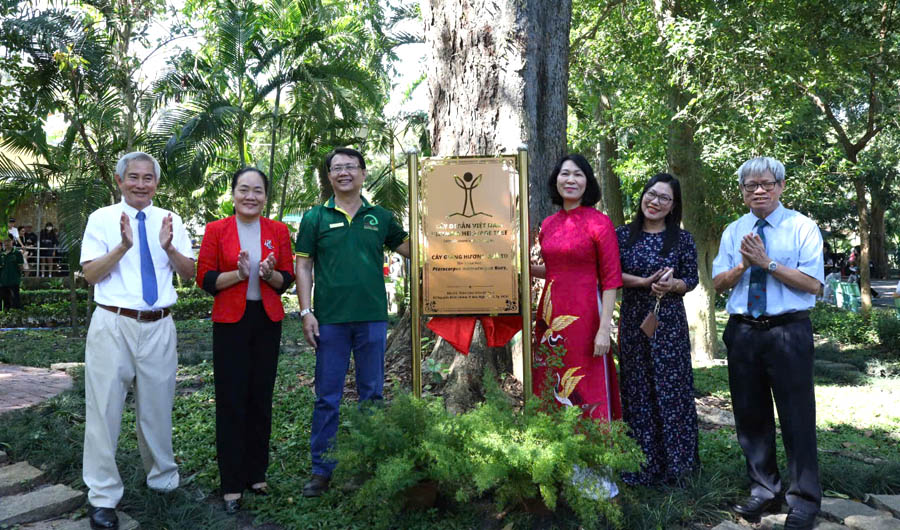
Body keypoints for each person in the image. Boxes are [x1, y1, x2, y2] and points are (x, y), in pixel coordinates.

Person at [80, 151, 195, 530]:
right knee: (104, 411)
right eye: (133, 177)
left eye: (148, 178)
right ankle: (102, 497)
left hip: (160, 324)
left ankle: (163, 481)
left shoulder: (171, 220)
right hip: (113, 324)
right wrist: (123, 247)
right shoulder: (101, 219)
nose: (141, 184)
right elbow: (92, 275)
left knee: (158, 408)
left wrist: (169, 248)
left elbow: (191, 274)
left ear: (156, 183)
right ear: (120, 181)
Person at [712, 157, 824, 530]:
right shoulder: (734, 231)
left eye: (766, 184)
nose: (758, 190)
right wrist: (744, 266)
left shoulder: (802, 228)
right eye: (750, 186)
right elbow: (718, 283)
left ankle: (804, 499)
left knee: (797, 417)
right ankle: (763, 488)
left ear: (781, 186)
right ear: (742, 191)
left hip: (788, 331)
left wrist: (767, 262)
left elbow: (814, 285)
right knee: (750, 415)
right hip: (743, 332)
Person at [295, 147, 410, 497]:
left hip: (372, 319)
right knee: (327, 396)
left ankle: (368, 464)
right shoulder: (315, 217)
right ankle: (322, 470)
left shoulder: (381, 217)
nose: (343, 173)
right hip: (330, 320)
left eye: (350, 167)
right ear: (329, 176)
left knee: (372, 394)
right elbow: (303, 265)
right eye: (336, 168)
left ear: (362, 172)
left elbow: (412, 250)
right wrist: (305, 311)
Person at [196, 168, 295, 514]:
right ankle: (231, 483)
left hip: (267, 320)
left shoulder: (278, 231)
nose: (250, 196)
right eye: (244, 189)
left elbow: (288, 280)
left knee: (260, 397)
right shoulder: (216, 230)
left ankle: (256, 473)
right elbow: (205, 278)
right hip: (230, 322)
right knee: (232, 399)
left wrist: (269, 276)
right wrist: (237, 274)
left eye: (257, 191)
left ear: (265, 196)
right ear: (233, 193)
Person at [615, 173, 699, 486]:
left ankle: (678, 469)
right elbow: (608, 273)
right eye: (652, 194)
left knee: (672, 391)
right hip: (635, 320)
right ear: (643, 196)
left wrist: (674, 284)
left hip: (669, 322)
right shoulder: (622, 235)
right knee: (637, 391)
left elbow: (691, 279)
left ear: (673, 206)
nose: (655, 202)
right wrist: (642, 282)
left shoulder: (682, 239)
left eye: (664, 198)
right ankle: (641, 467)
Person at [530, 154, 623, 421]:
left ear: (588, 182)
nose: (570, 180)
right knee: (552, 377)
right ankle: (557, 449)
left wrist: (604, 329)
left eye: (578, 174)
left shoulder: (599, 222)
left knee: (585, 379)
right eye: (565, 174)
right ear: (555, 180)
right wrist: (519, 270)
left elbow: (611, 280)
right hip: (550, 317)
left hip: (587, 317)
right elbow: (556, 270)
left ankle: (594, 455)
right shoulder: (548, 224)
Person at [0, 237, 25, 310]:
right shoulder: (1, 254)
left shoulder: (17, 253)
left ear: (12, 241)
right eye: (5, 241)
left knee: (15, 300)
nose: (6, 243)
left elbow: (21, 267)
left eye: (8, 241)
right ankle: (6, 316)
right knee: (5, 300)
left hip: (14, 280)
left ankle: (17, 315)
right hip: (3, 281)